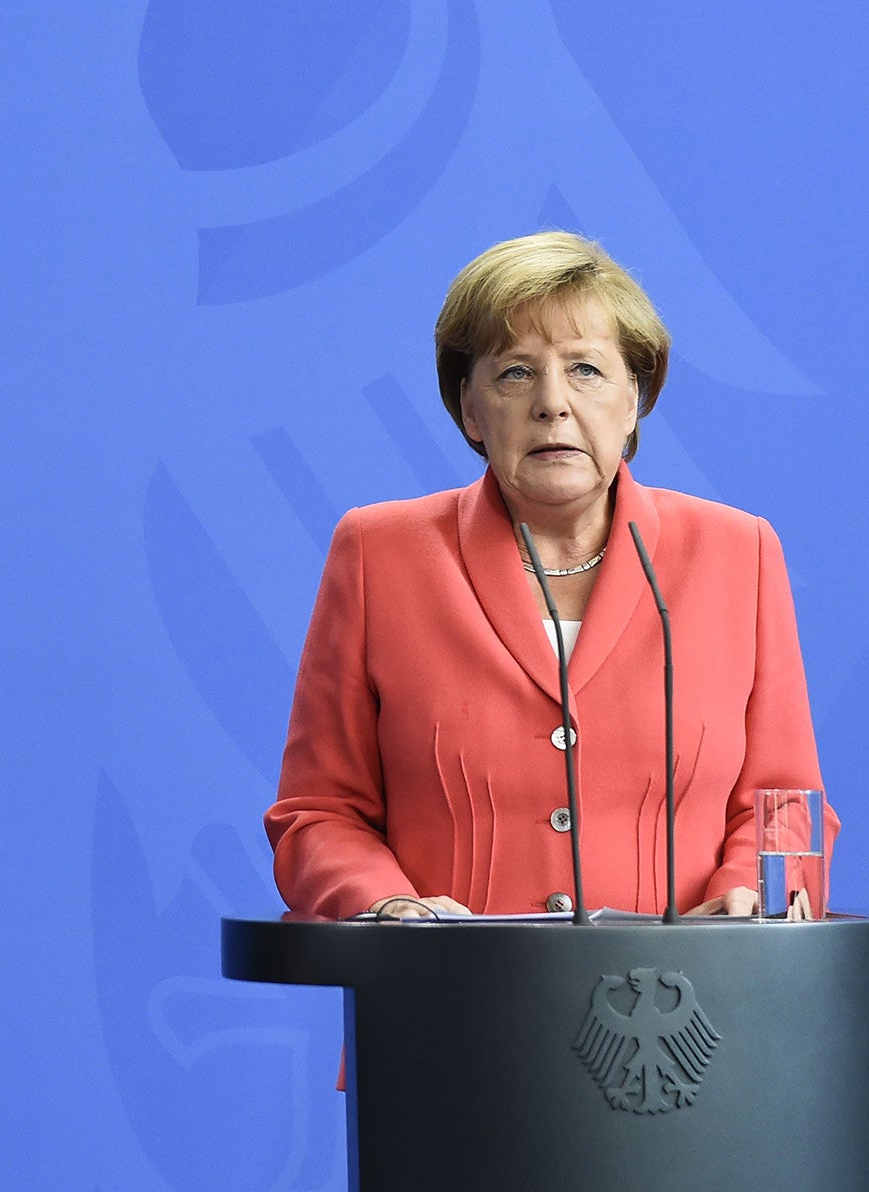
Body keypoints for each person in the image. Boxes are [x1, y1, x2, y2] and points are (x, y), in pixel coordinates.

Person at [267, 231, 834, 921]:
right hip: (446, 1008)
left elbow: (784, 806)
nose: (552, 403)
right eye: (514, 373)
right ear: (470, 410)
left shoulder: (736, 551)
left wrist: (749, 898)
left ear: (635, 401)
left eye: (587, 370)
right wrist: (388, 909)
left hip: (687, 1014)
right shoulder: (379, 555)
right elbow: (320, 813)